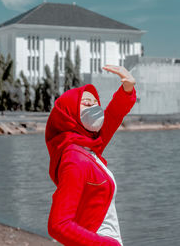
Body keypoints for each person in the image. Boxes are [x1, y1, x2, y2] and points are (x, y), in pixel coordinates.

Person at [45, 65, 137, 246]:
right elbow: (58, 225)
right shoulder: (74, 159)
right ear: (69, 114)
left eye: (96, 103)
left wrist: (127, 88)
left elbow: (113, 115)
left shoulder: (90, 148)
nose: (94, 107)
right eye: (87, 103)